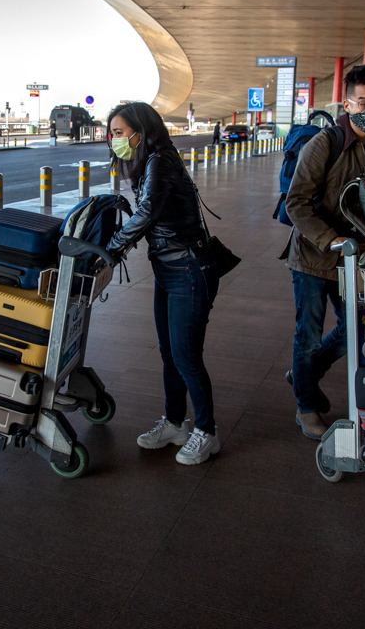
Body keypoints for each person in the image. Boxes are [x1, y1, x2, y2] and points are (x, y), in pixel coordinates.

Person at [282, 65, 365, 440]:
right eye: (364, 102)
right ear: (347, 103)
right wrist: (330, 239)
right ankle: (306, 407)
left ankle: (305, 374)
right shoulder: (324, 144)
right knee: (309, 335)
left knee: (356, 328)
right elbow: (295, 204)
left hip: (358, 258)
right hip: (316, 256)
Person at [104, 102, 221, 465]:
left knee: (186, 355)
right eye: (111, 133)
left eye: (119, 133)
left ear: (141, 132)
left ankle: (207, 432)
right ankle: (174, 423)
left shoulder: (161, 161)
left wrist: (111, 246)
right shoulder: (150, 161)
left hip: (188, 268)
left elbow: (148, 209)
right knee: (169, 352)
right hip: (169, 268)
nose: (114, 140)